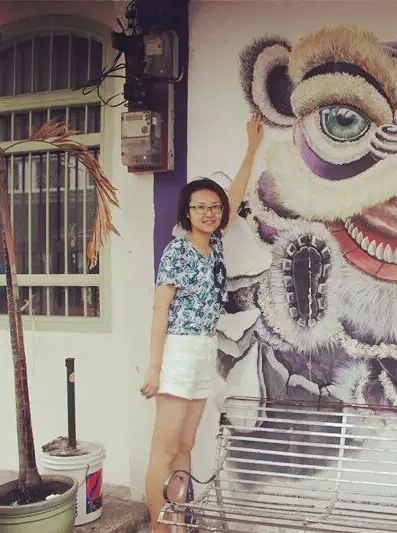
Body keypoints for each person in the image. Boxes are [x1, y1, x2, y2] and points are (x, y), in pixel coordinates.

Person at [140, 114, 264, 531]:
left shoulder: (216, 245)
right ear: (187, 212)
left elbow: (236, 194)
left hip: (204, 350)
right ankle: (159, 528)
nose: (209, 213)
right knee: (165, 448)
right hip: (178, 351)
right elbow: (160, 310)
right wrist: (154, 367)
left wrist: (251, 148)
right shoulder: (177, 252)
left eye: (214, 207)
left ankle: (177, 521)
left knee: (186, 444)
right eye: (200, 207)